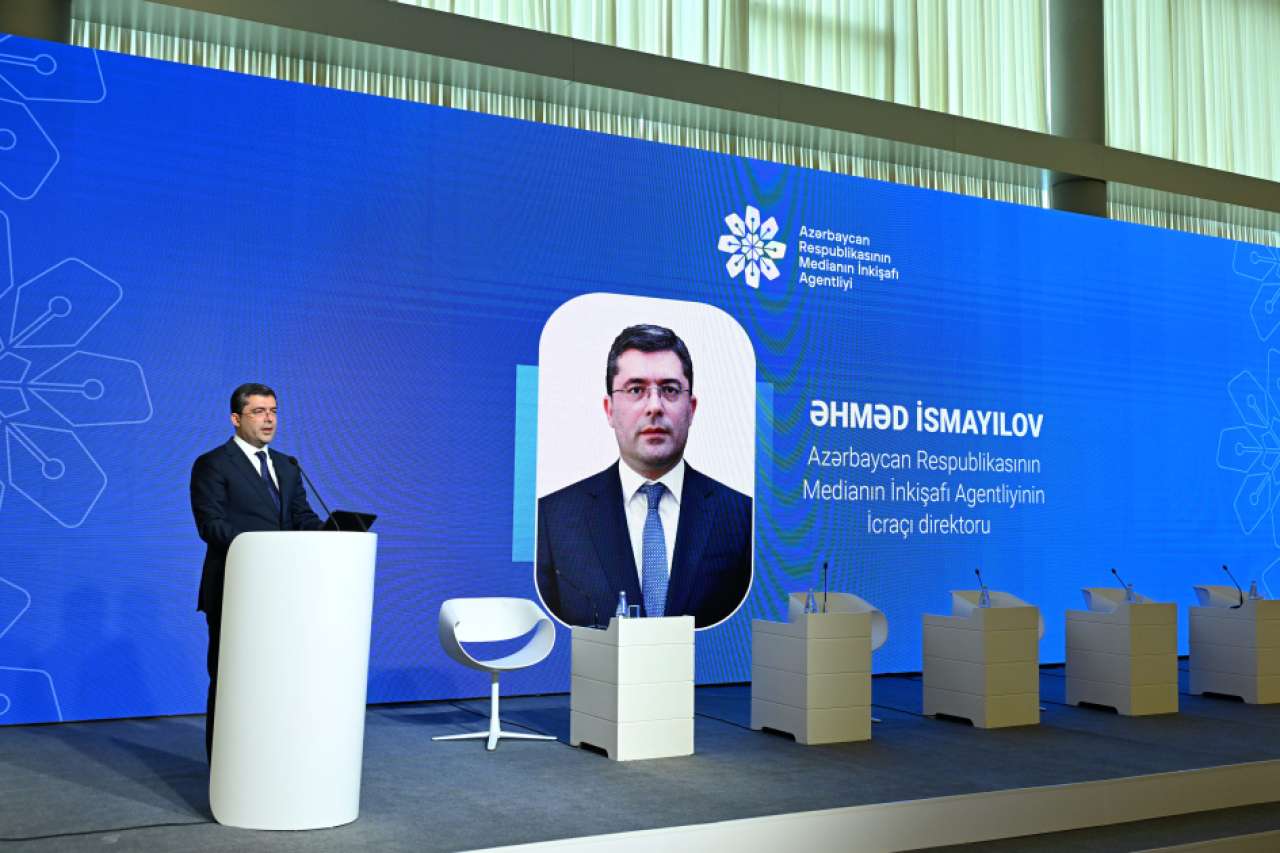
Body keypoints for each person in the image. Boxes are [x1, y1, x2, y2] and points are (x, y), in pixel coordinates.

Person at [536, 324, 752, 629]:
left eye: (670, 390)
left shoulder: (742, 516)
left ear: (691, 409)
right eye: (636, 390)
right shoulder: (553, 518)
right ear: (609, 409)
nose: (654, 407)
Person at [189, 383, 324, 761]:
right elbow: (211, 526)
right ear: (236, 418)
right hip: (235, 589)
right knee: (232, 678)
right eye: (259, 412)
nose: (269, 419)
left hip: (284, 591)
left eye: (274, 411)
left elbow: (301, 518)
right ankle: (224, 766)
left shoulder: (287, 465)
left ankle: (272, 758)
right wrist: (264, 548)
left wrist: (334, 533)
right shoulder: (213, 464)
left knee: (279, 680)